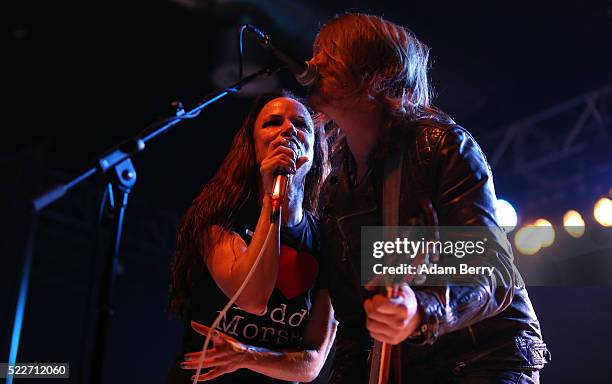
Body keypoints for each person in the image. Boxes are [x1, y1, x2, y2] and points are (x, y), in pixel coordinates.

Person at [308, 13, 551, 383]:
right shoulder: (335, 189)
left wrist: (421, 309)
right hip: (410, 368)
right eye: (315, 52)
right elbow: (358, 329)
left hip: (484, 359)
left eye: (330, 51)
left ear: (375, 71)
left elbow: (488, 270)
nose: (313, 62)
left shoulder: (440, 146)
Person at [167, 90, 336, 383]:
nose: (288, 130)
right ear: (252, 145)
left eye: (301, 124)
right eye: (273, 122)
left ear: (315, 151)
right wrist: (273, 194)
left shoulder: (329, 241)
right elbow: (253, 299)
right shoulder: (218, 219)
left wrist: (246, 355)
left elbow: (311, 363)